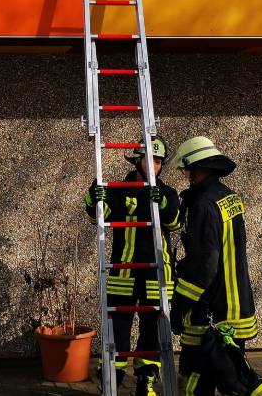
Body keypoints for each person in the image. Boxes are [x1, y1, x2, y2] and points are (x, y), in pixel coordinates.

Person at [168, 137, 262, 396]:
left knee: (207, 378)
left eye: (187, 171)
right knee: (232, 374)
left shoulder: (203, 205)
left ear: (199, 167)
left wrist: (180, 305)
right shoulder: (230, 198)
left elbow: (204, 267)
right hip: (236, 307)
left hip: (212, 312)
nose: (186, 177)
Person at [85, 137, 182, 395]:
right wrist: (92, 197)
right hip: (123, 274)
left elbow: (174, 222)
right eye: (149, 159)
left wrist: (160, 202)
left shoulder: (168, 192)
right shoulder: (117, 189)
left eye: (158, 161)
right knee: (118, 330)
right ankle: (112, 379)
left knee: (152, 331)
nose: (154, 165)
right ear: (137, 160)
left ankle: (145, 380)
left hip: (155, 274)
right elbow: (100, 216)